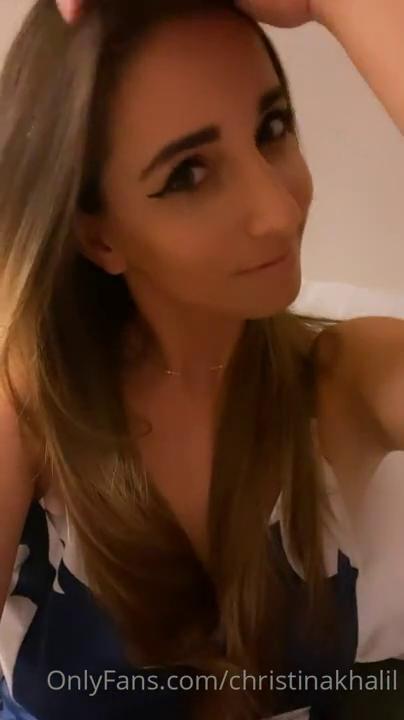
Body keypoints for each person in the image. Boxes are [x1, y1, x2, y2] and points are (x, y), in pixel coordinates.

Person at [0, 0, 403, 719]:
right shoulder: (30, 404)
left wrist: (338, 3)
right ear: (99, 238)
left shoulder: (344, 380)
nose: (278, 212)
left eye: (271, 128)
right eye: (188, 174)